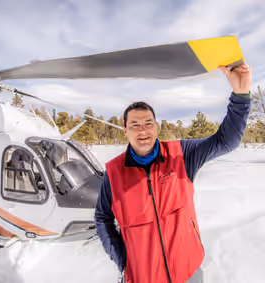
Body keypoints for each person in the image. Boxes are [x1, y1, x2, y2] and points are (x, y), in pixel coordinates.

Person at [94, 65, 252, 283]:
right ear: (125, 130)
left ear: (156, 126)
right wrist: (122, 261)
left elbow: (226, 141)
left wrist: (241, 96)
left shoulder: (181, 154)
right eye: (135, 125)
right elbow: (103, 218)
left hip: (188, 271)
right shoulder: (113, 172)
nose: (143, 130)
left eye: (148, 123)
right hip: (142, 277)